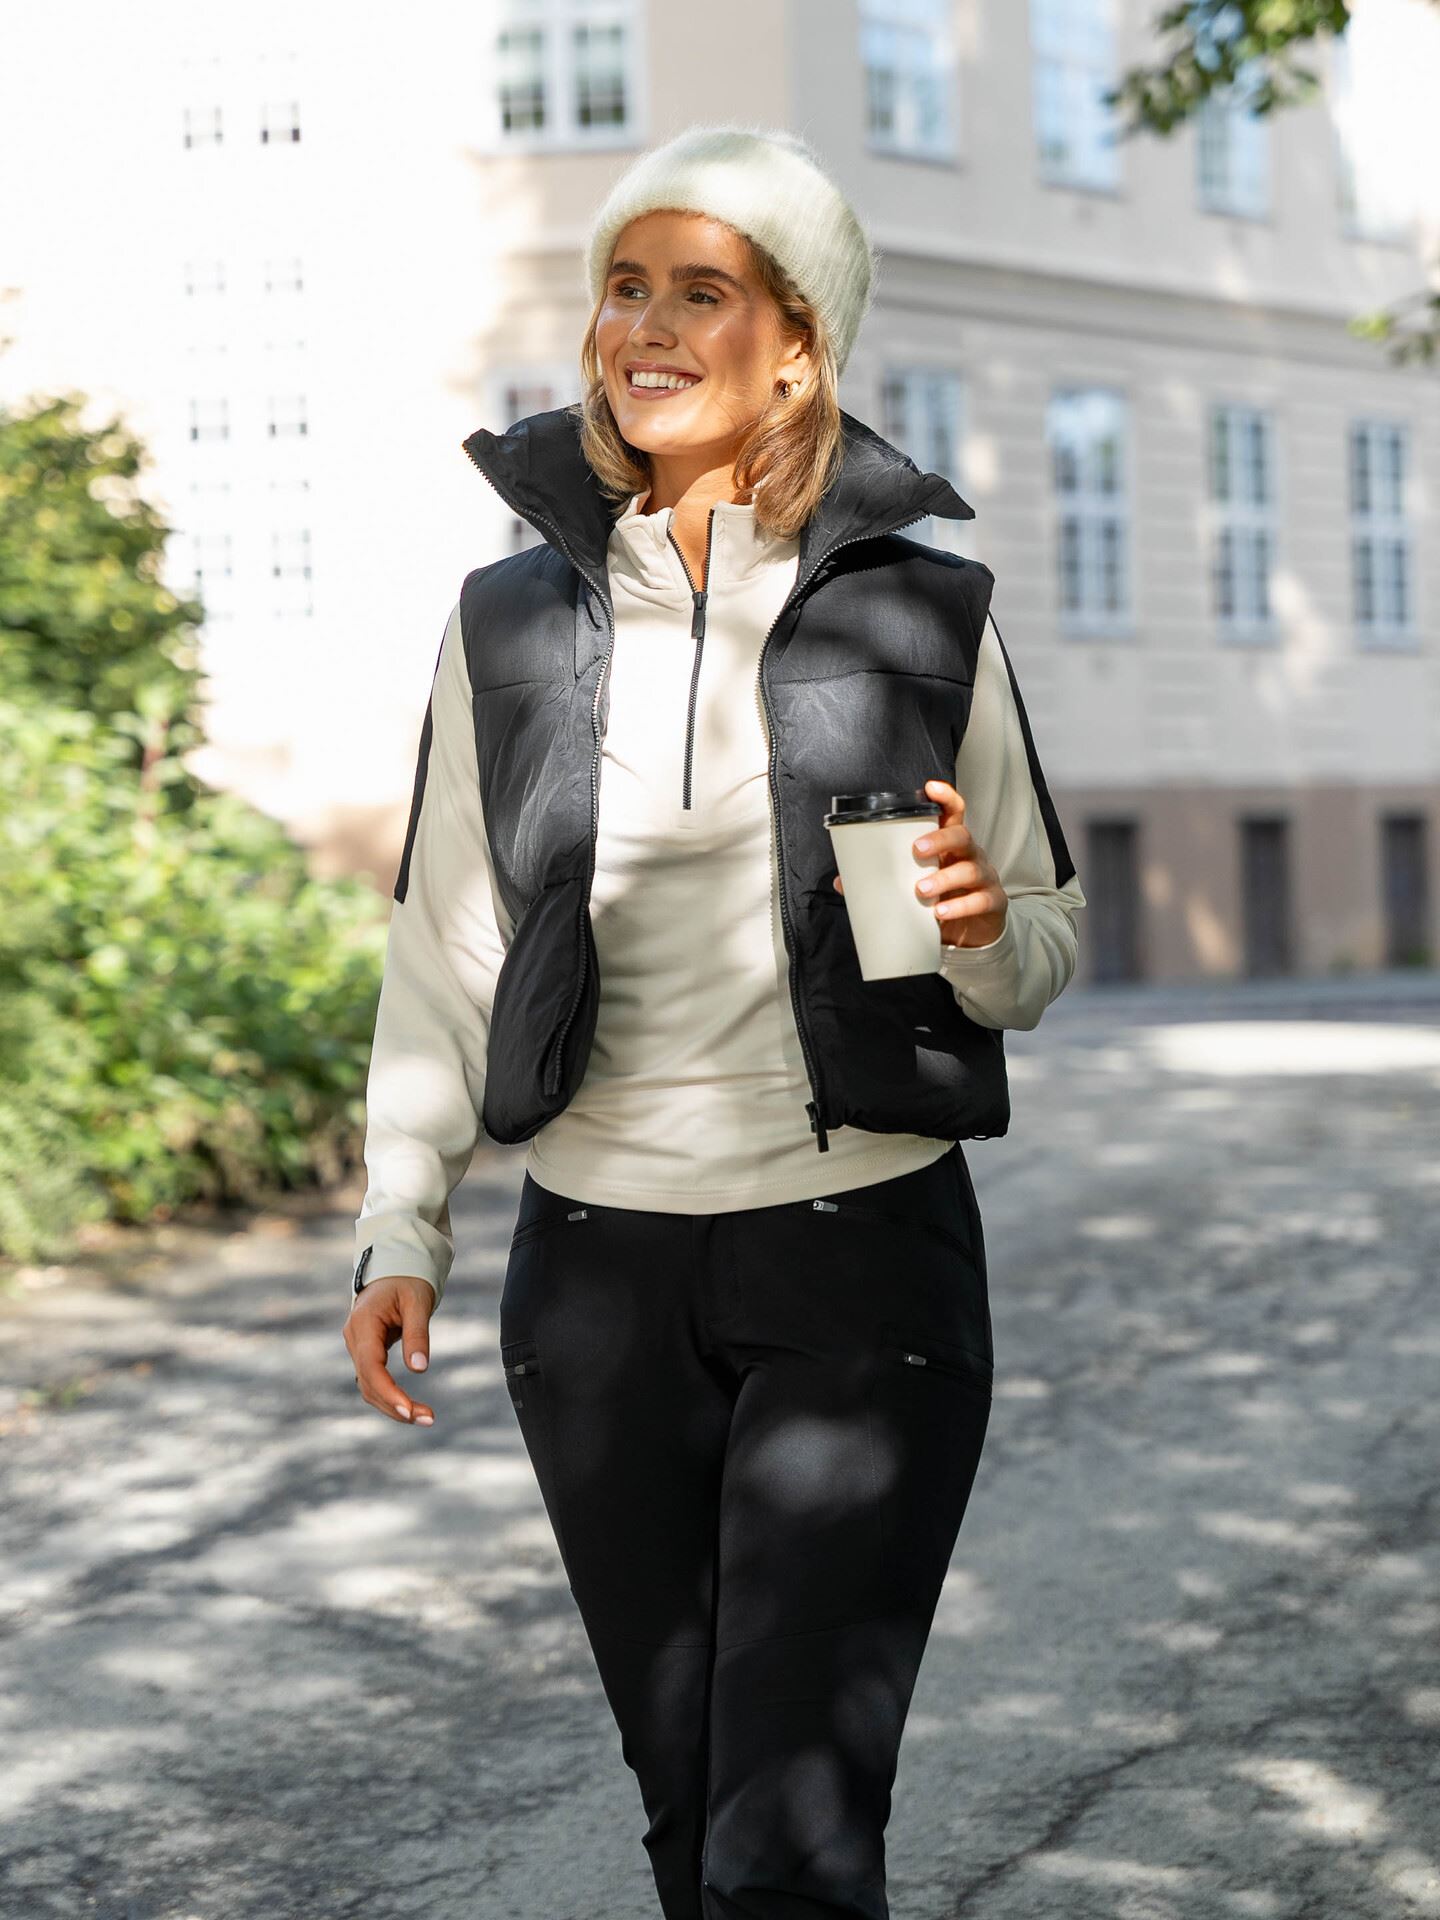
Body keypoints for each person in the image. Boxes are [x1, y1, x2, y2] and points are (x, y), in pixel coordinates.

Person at [345, 122, 1086, 1920]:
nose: (648, 327)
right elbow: (445, 942)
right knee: (693, 1821)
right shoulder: (504, 624)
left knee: (790, 1843)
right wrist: (403, 1226)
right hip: (595, 1284)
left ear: (801, 343)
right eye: (626, 286)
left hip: (862, 1270)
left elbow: (1045, 936)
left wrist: (984, 934)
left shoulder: (927, 613)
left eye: (703, 291)